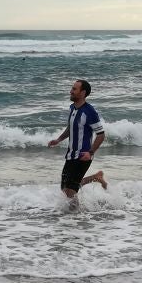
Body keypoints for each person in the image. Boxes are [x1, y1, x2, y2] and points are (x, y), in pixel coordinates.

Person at [47, 78, 107, 209]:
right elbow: (71, 128)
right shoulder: (73, 108)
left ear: (83, 92)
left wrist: (90, 152)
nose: (71, 91)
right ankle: (96, 177)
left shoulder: (90, 112)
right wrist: (58, 140)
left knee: (70, 192)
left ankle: (76, 217)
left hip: (83, 156)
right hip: (71, 155)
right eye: (72, 88)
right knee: (64, 189)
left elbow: (101, 135)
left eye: (74, 89)